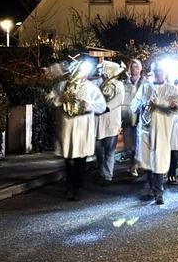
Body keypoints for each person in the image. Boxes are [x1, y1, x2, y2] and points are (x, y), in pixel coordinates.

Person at [49, 59, 107, 201]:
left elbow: (102, 106)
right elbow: (49, 99)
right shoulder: (62, 85)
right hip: (67, 129)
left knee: (80, 161)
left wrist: (90, 105)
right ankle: (70, 185)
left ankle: (78, 188)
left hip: (82, 129)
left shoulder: (91, 87)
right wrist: (59, 98)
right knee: (68, 160)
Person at [130, 62, 178, 205]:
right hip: (146, 129)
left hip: (162, 129)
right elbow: (134, 105)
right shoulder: (145, 87)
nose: (158, 73)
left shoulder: (171, 88)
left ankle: (158, 192)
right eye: (156, 71)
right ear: (152, 72)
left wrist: (168, 105)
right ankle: (153, 187)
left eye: (160, 71)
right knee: (148, 161)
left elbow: (177, 108)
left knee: (159, 160)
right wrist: (141, 104)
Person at [94, 61, 125, 186]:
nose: (101, 72)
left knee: (109, 150)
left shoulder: (118, 85)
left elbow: (119, 99)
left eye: (104, 69)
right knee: (98, 150)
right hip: (98, 121)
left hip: (111, 122)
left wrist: (106, 107)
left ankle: (107, 176)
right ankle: (100, 171)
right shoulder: (97, 83)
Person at [121, 59, 144, 177]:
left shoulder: (144, 82)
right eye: (132, 67)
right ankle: (133, 163)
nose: (134, 69)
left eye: (136, 67)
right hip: (127, 117)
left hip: (140, 117)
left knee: (138, 142)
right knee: (128, 144)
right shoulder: (125, 83)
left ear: (140, 68)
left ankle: (135, 165)